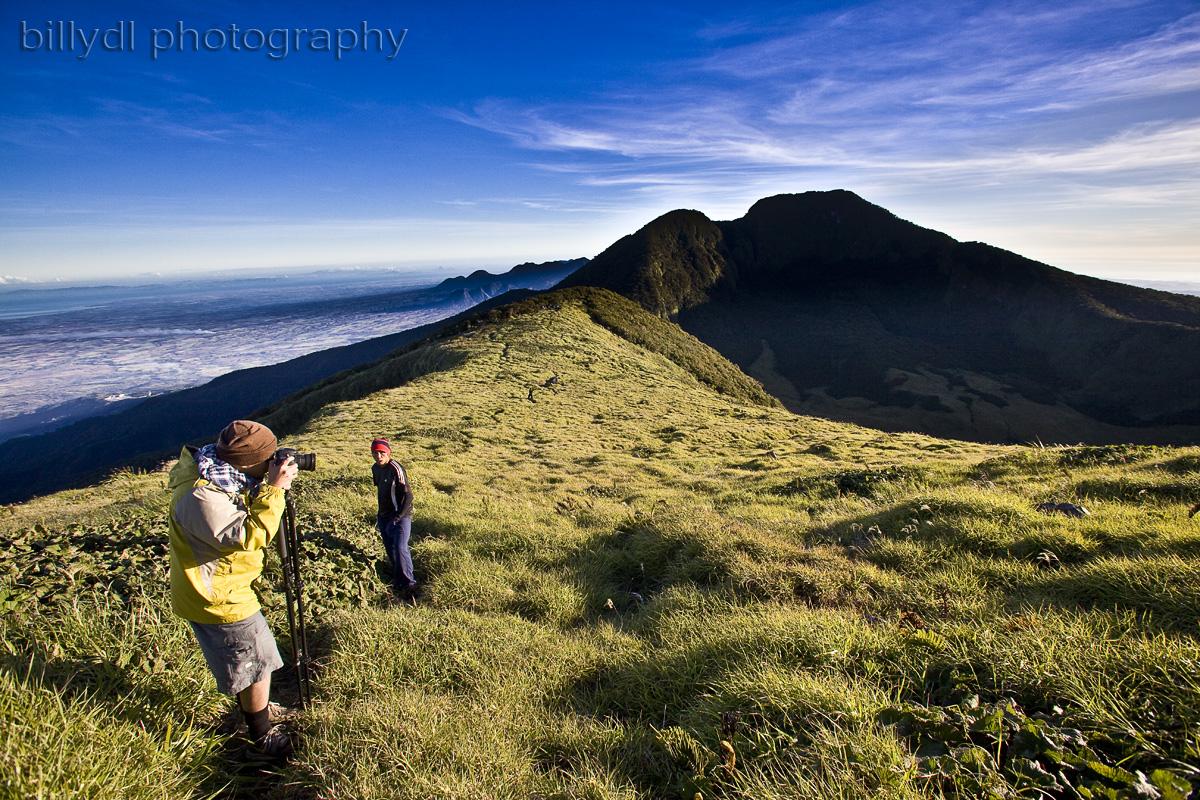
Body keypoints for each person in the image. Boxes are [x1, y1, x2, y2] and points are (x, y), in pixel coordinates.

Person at [167, 419, 299, 759]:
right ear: (249, 462)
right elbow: (248, 535)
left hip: (221, 585)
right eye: (268, 459)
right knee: (257, 664)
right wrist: (275, 491)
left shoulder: (218, 475)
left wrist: (265, 484)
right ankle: (261, 737)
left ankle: (260, 711)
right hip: (217, 596)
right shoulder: (201, 495)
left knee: (251, 661)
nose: (274, 464)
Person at [370, 437, 416, 602]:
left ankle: (410, 585)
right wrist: (381, 514)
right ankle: (398, 582)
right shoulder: (375, 468)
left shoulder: (396, 468)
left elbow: (408, 495)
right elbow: (381, 491)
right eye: (375, 452)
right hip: (384, 516)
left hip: (400, 515)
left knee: (400, 547)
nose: (378, 456)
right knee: (390, 549)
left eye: (382, 452)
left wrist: (399, 516)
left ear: (388, 453)